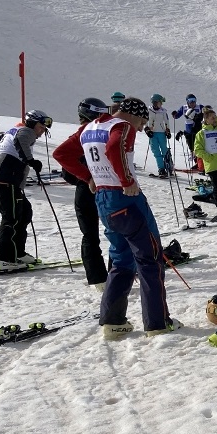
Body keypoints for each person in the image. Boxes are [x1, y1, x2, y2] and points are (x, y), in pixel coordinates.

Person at [81, 97, 179, 338]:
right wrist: (127, 181)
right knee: (150, 259)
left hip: (104, 200)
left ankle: (112, 322)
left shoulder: (91, 128)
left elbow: (63, 153)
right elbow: (115, 148)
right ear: (133, 115)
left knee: (121, 259)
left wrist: (89, 177)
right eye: (142, 121)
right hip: (125, 199)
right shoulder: (121, 126)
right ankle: (157, 323)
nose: (140, 127)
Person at [53, 97, 111, 290]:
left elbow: (64, 162)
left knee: (91, 234)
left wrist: (84, 178)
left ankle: (99, 279)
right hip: (101, 187)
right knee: (115, 231)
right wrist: (88, 177)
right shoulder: (91, 131)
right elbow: (60, 154)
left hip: (85, 189)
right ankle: (115, 275)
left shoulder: (84, 132)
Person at [0, 110, 50, 271]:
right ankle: (4, 259)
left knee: (25, 212)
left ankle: (18, 253)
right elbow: (20, 141)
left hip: (1, 176)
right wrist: (30, 160)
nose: (42, 132)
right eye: (41, 127)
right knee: (11, 217)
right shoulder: (26, 131)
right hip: (5, 177)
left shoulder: (14, 130)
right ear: (32, 123)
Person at [172, 94, 203, 168]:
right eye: (190, 101)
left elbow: (207, 113)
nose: (192, 103)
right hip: (189, 131)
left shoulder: (200, 107)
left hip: (198, 130)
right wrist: (174, 114)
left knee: (199, 148)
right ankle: (197, 163)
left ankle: (201, 164)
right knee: (192, 149)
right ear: (187, 102)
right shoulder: (184, 108)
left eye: (194, 101)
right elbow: (177, 116)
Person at [145, 94, 171, 176]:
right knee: (156, 151)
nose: (161, 104)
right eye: (160, 102)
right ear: (155, 102)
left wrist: (168, 131)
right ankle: (161, 168)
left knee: (164, 150)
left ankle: (169, 167)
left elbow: (167, 122)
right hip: (153, 134)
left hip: (161, 132)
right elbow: (145, 122)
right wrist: (147, 131)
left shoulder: (163, 111)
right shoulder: (148, 111)